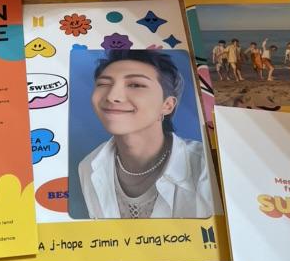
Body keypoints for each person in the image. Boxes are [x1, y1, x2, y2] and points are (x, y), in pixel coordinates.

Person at [77, 51, 215, 219]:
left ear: (167, 105)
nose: (112, 96)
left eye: (135, 85)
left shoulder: (208, 168)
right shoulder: (89, 166)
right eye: (103, 84)